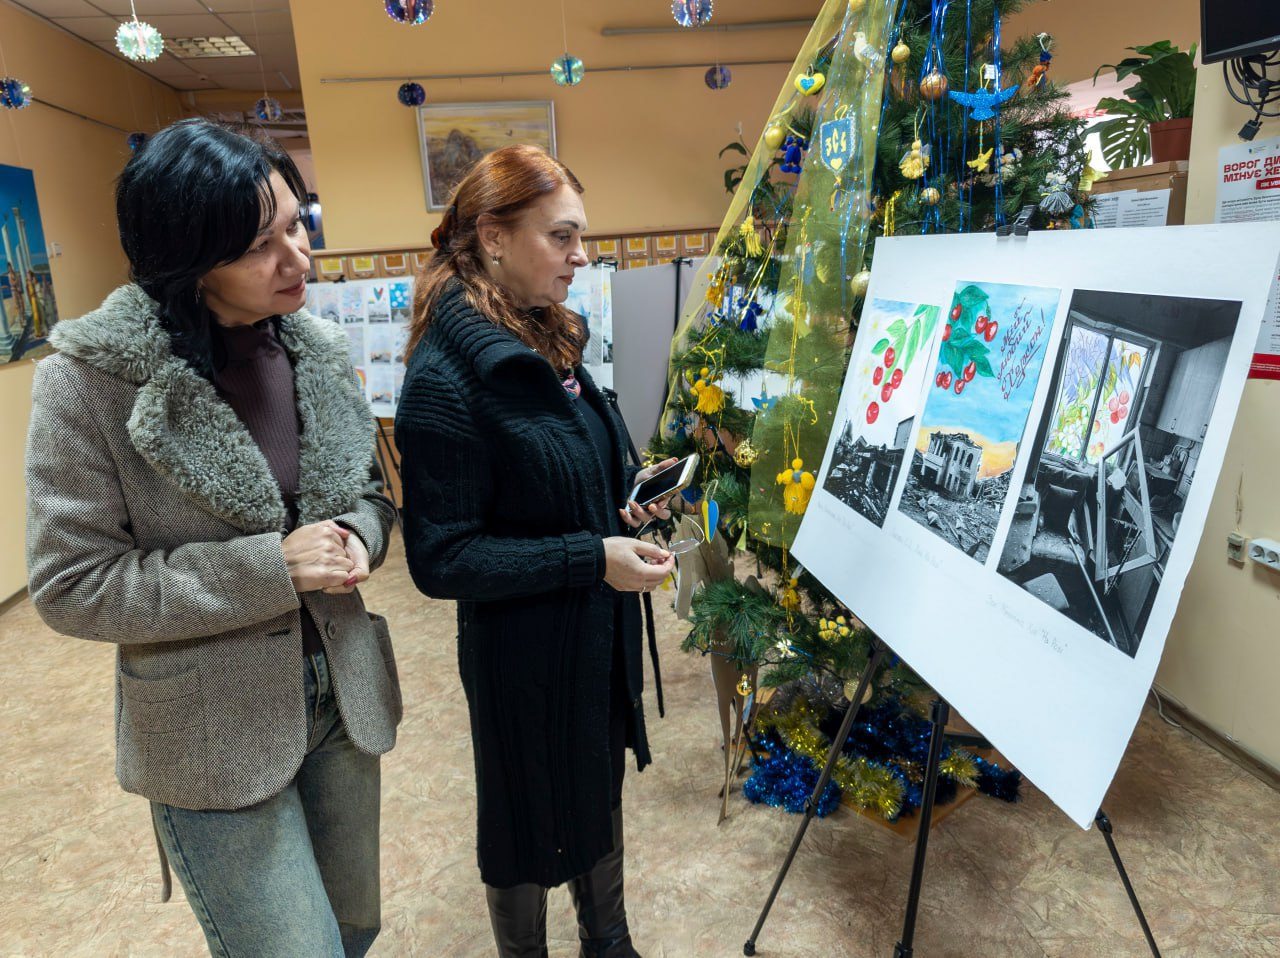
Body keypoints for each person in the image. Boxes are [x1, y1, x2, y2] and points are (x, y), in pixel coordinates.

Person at [24, 118, 400, 958]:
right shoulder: (88, 382)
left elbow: (371, 492)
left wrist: (357, 534)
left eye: (298, 225)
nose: (299, 259)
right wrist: (268, 569)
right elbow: (71, 585)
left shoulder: (317, 350)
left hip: (343, 696)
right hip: (211, 726)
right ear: (188, 260)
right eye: (262, 246)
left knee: (354, 930)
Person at [396, 144, 678, 958]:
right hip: (523, 654)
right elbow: (442, 559)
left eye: (580, 235)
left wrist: (626, 496)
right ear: (493, 237)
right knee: (526, 818)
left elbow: (573, 463)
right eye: (562, 236)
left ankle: (608, 941)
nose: (580, 254)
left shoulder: (550, 338)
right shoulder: (447, 380)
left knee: (596, 782)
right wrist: (590, 557)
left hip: (593, 634)